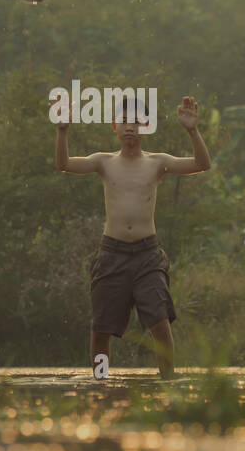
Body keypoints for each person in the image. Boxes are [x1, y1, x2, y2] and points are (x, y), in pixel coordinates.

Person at [55, 95, 210, 378]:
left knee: (160, 323)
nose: (131, 127)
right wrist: (62, 130)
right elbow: (64, 164)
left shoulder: (157, 162)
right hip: (111, 254)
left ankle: (168, 381)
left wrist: (192, 130)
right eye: (125, 121)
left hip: (147, 255)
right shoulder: (103, 162)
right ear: (114, 126)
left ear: (147, 127)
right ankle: (100, 381)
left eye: (138, 122)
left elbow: (201, 164)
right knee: (101, 328)